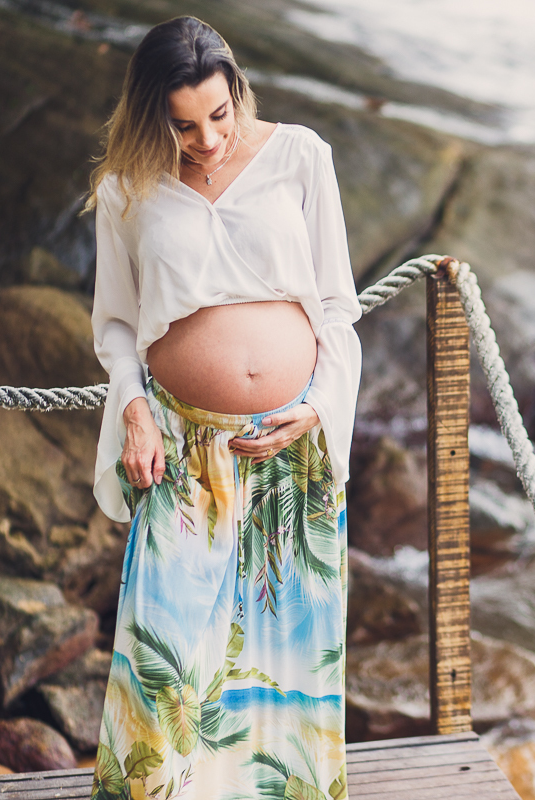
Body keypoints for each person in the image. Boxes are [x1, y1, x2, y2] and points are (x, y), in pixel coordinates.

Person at [85, 16, 361, 800]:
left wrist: (321, 405)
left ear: (236, 90)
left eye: (218, 114)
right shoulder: (127, 191)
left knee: (283, 679)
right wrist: (134, 408)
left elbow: (337, 306)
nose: (205, 138)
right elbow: (114, 324)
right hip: (183, 452)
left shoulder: (301, 157)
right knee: (163, 660)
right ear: (151, 116)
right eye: (181, 125)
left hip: (290, 451)